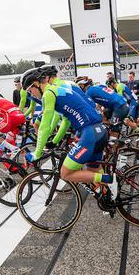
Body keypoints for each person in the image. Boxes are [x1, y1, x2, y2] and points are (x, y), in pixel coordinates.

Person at [22, 68, 115, 197]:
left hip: (90, 134)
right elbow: (66, 121)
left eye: (29, 90)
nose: (31, 94)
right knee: (91, 170)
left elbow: (44, 125)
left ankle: (108, 180)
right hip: (99, 131)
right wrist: (54, 141)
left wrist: (37, 152)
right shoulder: (57, 90)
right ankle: (110, 198)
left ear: (36, 84)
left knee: (65, 173)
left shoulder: (48, 93)